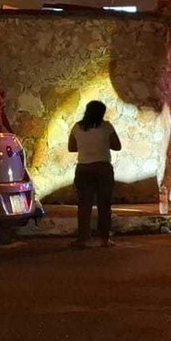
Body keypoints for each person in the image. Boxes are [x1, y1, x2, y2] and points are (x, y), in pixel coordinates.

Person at [69, 101, 122, 248]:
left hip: (83, 168)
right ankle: (104, 238)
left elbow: (71, 148)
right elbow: (117, 146)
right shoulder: (106, 127)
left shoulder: (77, 127)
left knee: (84, 205)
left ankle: (82, 239)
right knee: (104, 205)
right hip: (103, 168)